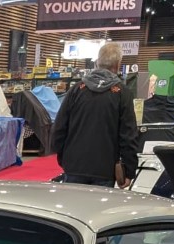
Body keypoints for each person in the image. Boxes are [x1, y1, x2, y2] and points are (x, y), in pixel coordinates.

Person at [52, 43, 139, 188]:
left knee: (71, 202)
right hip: (105, 168)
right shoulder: (122, 93)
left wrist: (63, 157)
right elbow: (128, 135)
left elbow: (59, 126)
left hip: (74, 164)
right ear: (118, 64)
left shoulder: (77, 89)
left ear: (98, 62)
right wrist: (129, 170)